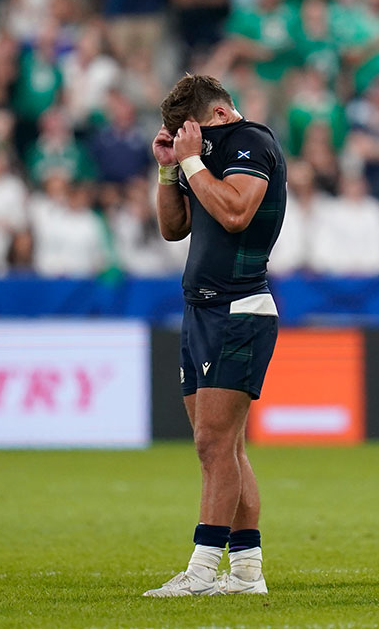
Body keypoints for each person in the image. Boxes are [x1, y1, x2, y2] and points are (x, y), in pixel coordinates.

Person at [142, 74, 286, 597]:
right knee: (222, 448)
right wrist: (166, 169)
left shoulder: (251, 141)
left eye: (191, 131)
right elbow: (173, 228)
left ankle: (203, 570)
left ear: (220, 115)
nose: (187, 141)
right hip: (200, 310)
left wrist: (192, 161)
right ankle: (246, 571)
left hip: (240, 307)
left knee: (213, 441)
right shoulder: (199, 154)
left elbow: (234, 212)